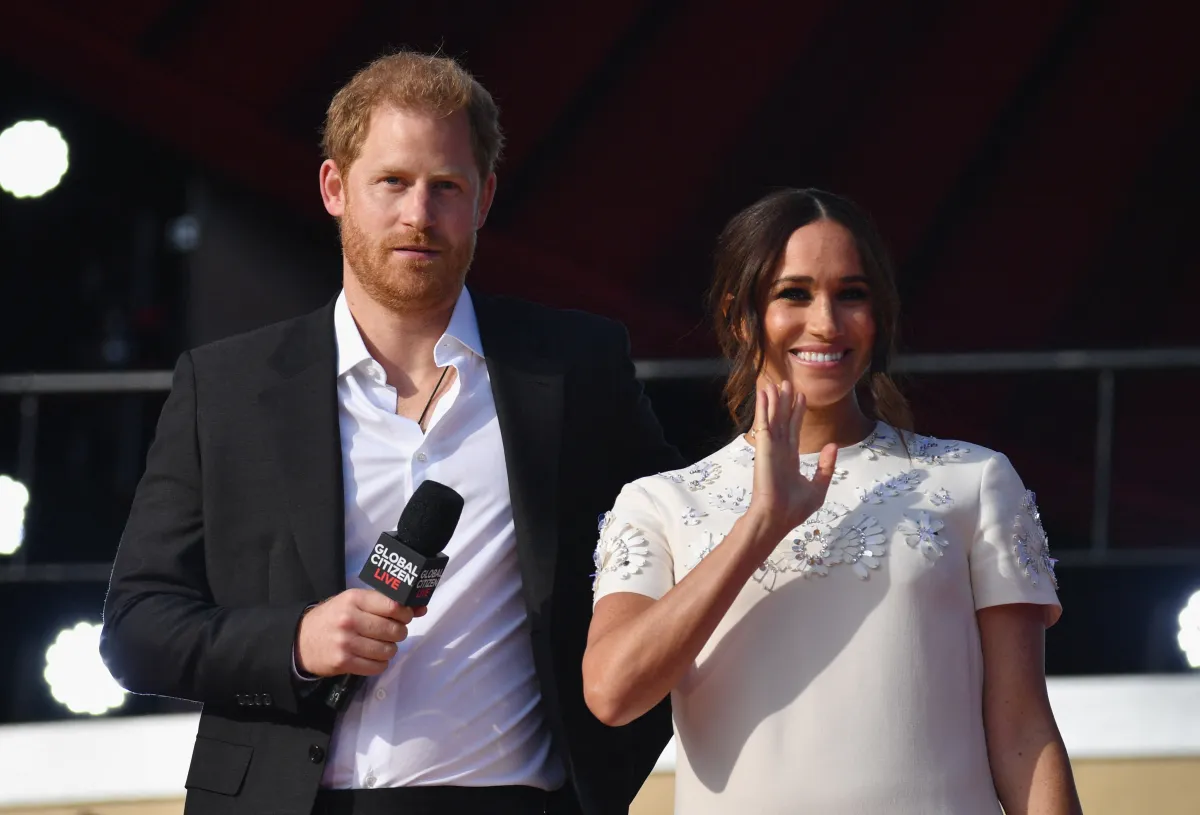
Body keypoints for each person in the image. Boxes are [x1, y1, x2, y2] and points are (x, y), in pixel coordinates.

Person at [101, 50, 681, 815]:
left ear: (485, 199)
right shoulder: (228, 388)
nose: (419, 214)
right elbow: (138, 627)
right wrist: (297, 643)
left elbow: (684, 529)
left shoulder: (574, 367)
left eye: (446, 187)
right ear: (335, 187)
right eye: (393, 182)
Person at [583, 188, 1083, 814]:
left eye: (851, 294)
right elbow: (613, 693)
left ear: (880, 316)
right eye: (794, 293)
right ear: (742, 316)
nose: (826, 322)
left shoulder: (974, 481)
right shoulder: (659, 502)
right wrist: (761, 524)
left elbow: (1023, 730)